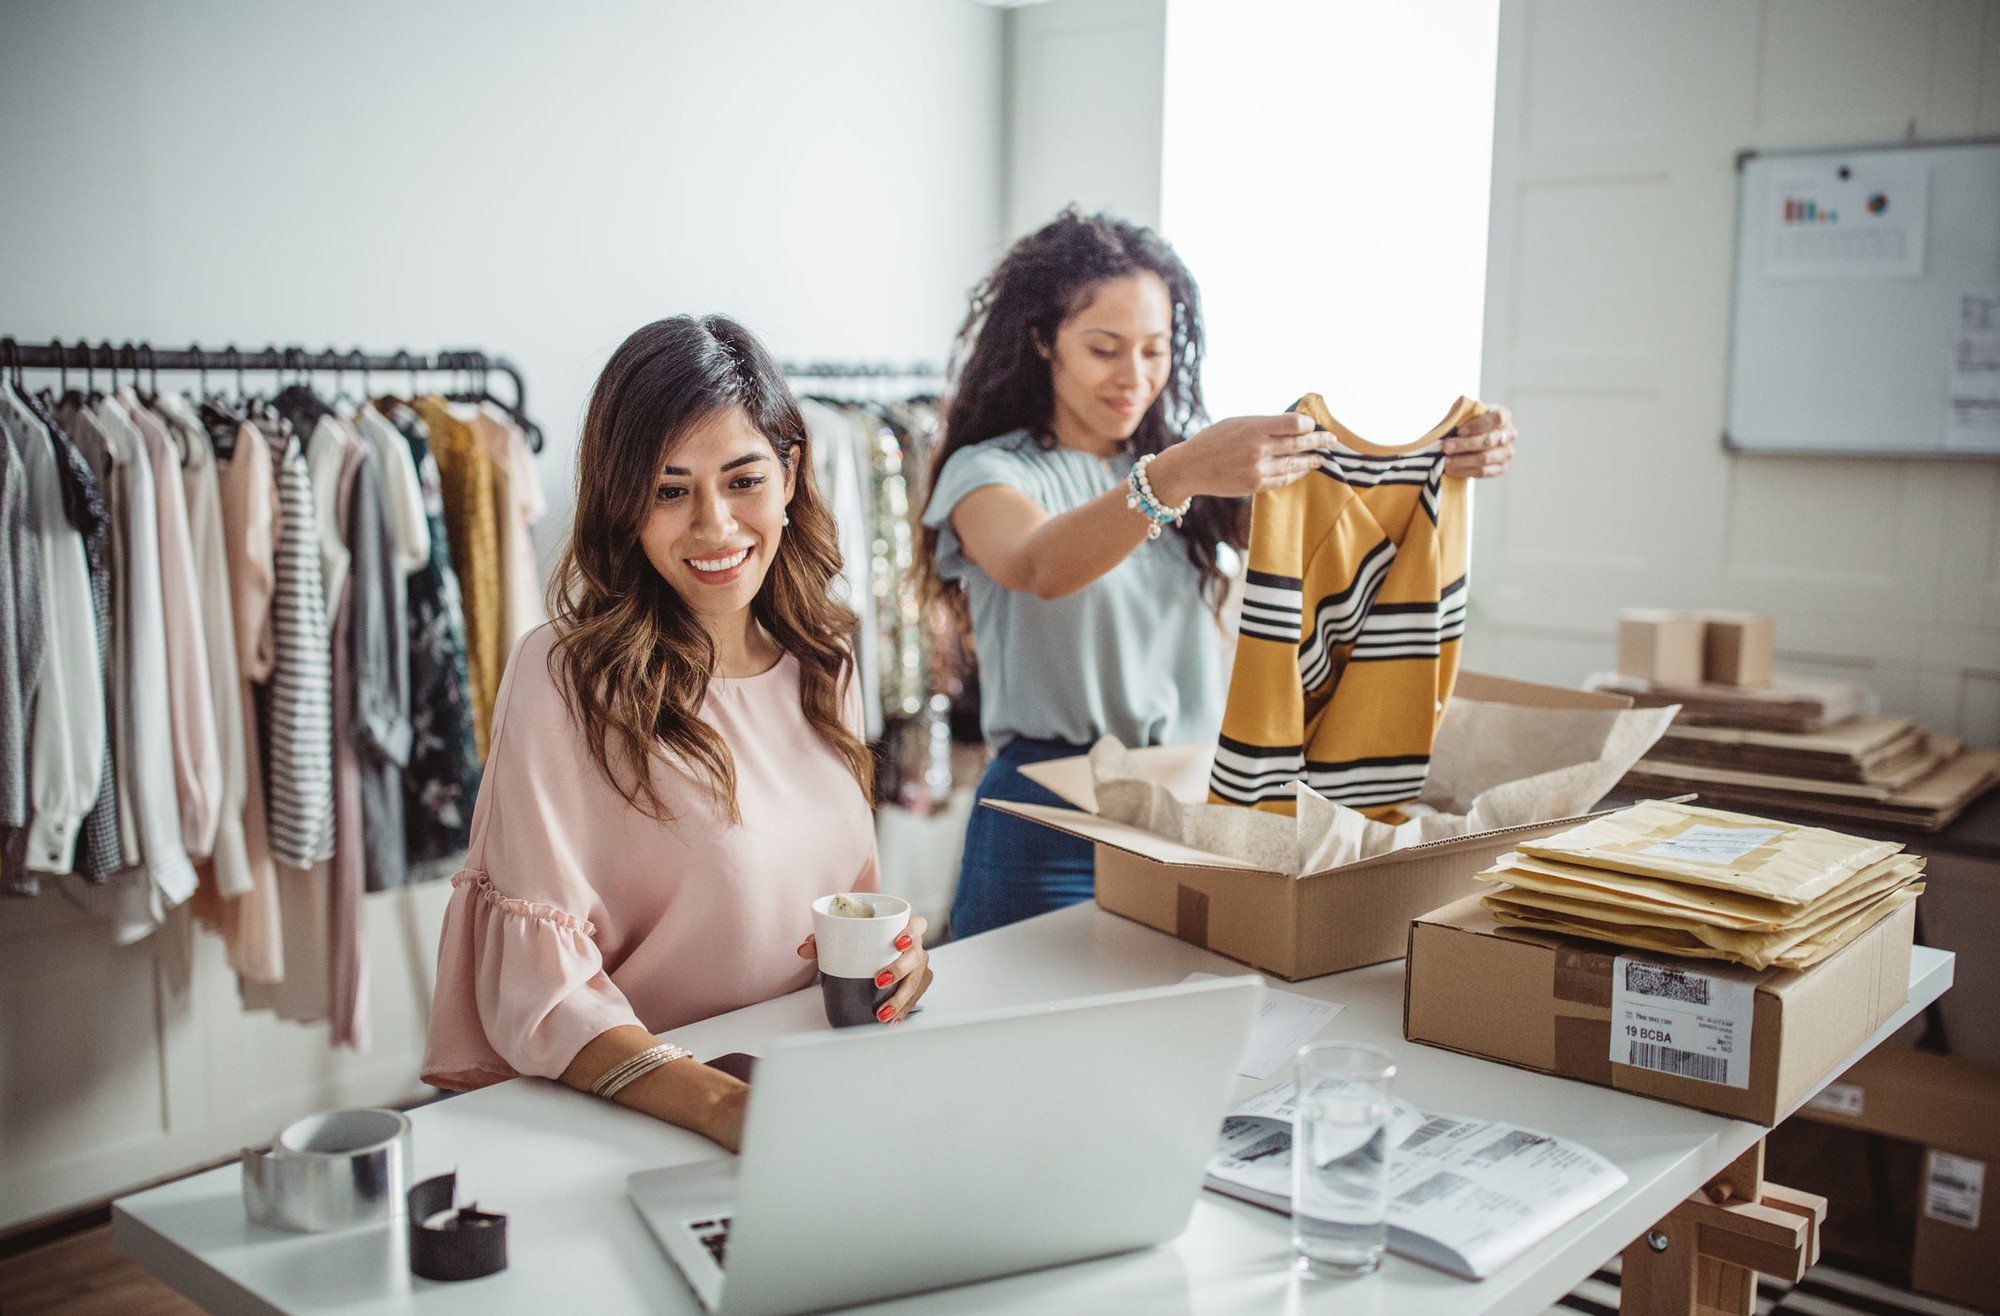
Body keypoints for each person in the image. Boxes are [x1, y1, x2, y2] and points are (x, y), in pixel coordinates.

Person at [919, 209, 1518, 939]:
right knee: (1014, 1034)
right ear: (1043, 342)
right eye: (1104, 349)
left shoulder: (1192, 474)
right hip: (1049, 817)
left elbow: (1340, 527)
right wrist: (1175, 476)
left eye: (1154, 349)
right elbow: (1040, 564)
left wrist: (1448, 458)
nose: (1133, 377)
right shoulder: (990, 471)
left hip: (1189, 807)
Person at [423, 316, 932, 1151]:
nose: (715, 527)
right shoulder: (564, 678)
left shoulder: (824, 656)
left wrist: (899, 961)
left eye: (743, 481)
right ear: (624, 503)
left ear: (791, 473)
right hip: (638, 1123)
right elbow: (541, 993)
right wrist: (727, 1109)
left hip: (815, 1095)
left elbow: (844, 906)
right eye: (670, 490)